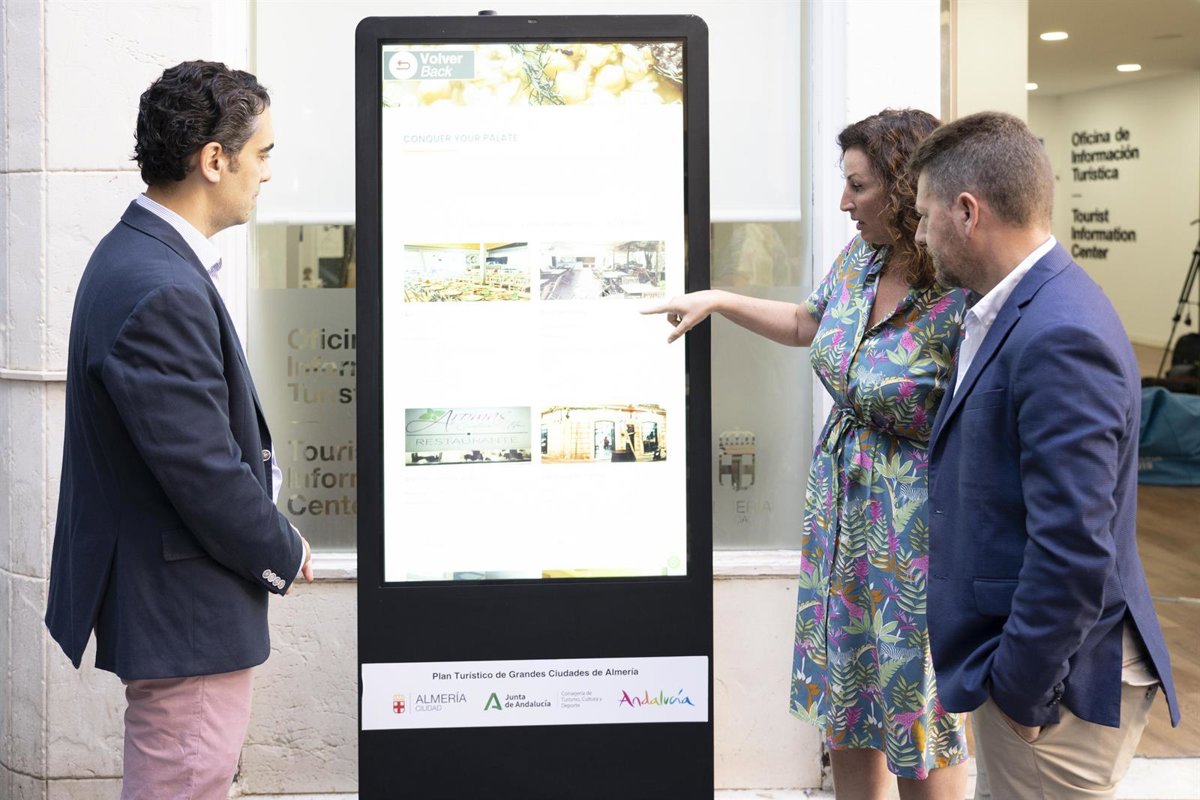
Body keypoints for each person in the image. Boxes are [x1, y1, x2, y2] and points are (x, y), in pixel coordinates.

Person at [645, 109, 968, 799]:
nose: (844, 202)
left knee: (918, 710)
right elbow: (806, 323)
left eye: (858, 186)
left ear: (905, 188)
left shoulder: (959, 287)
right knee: (848, 699)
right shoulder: (859, 259)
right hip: (842, 513)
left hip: (917, 528)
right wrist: (720, 300)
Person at [44, 61, 313, 800]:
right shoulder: (159, 283)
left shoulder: (141, 256)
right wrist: (283, 548)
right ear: (214, 159)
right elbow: (203, 471)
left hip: (177, 608)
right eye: (262, 153)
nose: (267, 173)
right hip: (186, 614)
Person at [909, 110, 1180, 799]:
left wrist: (1023, 695)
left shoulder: (1060, 332)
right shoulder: (1018, 309)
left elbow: (1074, 545)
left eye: (924, 215)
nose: (918, 236)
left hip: (1055, 695)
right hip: (1031, 675)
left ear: (967, 212)